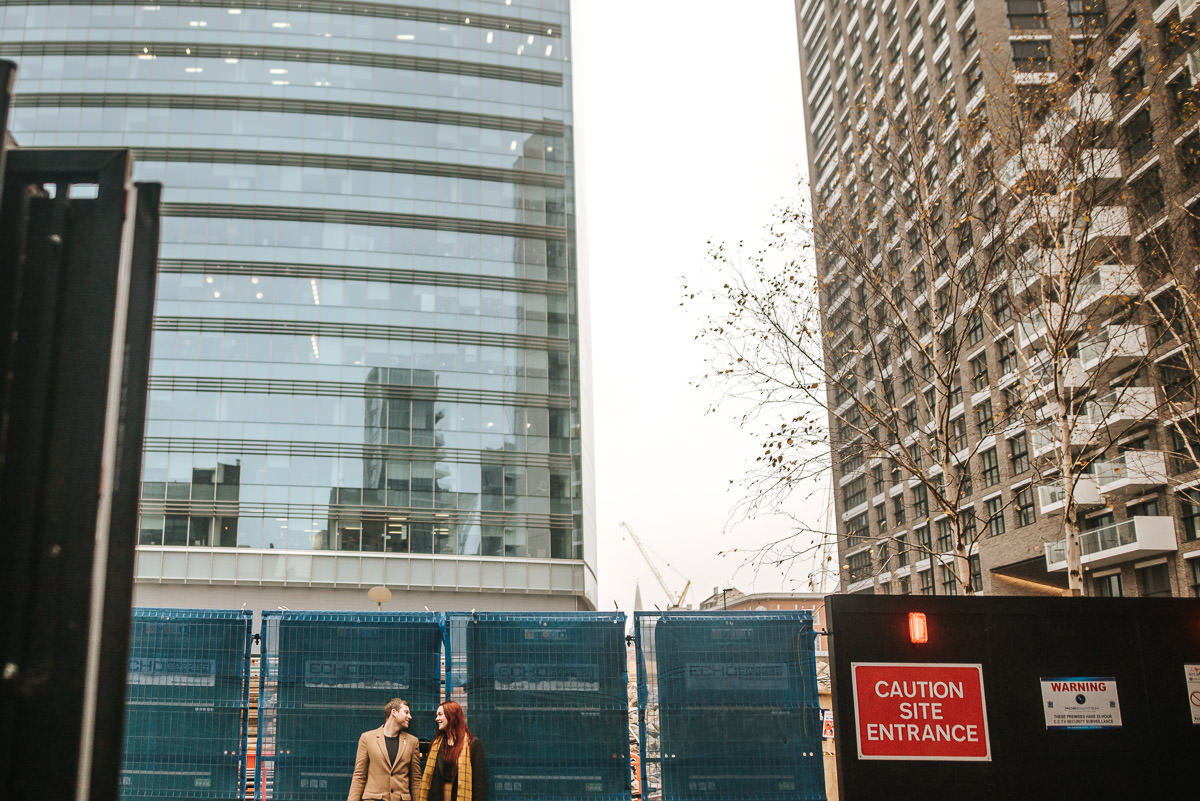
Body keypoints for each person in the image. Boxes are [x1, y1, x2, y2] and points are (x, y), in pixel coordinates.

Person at [347, 698, 422, 801]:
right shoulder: (367, 738)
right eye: (406, 712)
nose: (410, 717)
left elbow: (416, 780)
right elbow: (359, 776)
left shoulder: (412, 742)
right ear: (394, 712)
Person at [415, 701, 486, 801]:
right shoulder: (436, 745)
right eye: (436, 715)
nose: (437, 719)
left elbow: (479, 784)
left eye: (440, 715)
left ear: (451, 716)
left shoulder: (473, 744)